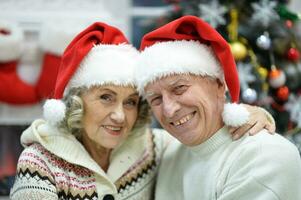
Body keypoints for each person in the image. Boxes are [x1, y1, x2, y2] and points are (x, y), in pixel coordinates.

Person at [10, 21, 275, 200]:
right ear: (77, 102)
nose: (120, 116)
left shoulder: (153, 148)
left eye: (130, 102)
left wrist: (255, 114)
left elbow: (202, 135)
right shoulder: (40, 163)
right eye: (105, 97)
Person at [135, 15, 301, 200]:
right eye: (156, 99)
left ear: (219, 85)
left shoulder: (264, 156)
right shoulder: (168, 153)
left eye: (179, 88)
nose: (169, 110)